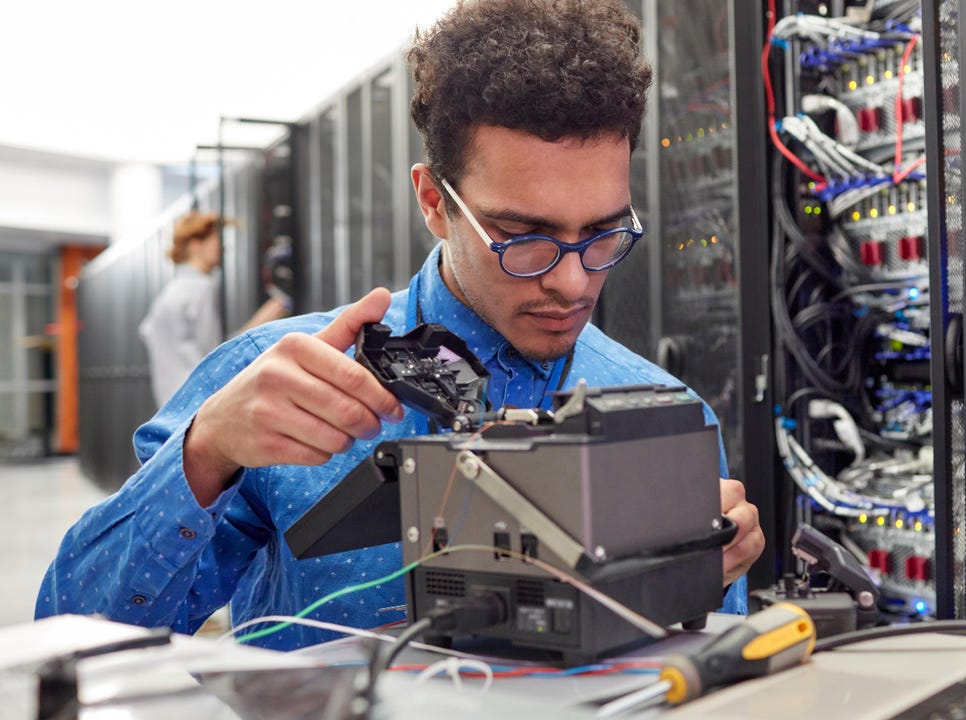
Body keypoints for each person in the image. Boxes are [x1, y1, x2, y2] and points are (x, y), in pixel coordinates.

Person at [37, 0, 765, 651]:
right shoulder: (281, 381)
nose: (572, 280)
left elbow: (698, 671)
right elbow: (73, 639)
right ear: (433, 201)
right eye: (524, 238)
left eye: (602, 235)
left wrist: (700, 578)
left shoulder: (665, 411)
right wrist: (204, 455)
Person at [138, 211, 289, 407]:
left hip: (171, 405)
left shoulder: (171, 292)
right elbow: (216, 357)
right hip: (198, 405)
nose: (222, 247)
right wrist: (263, 320)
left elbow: (147, 331)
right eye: (215, 239)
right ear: (195, 245)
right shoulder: (201, 288)